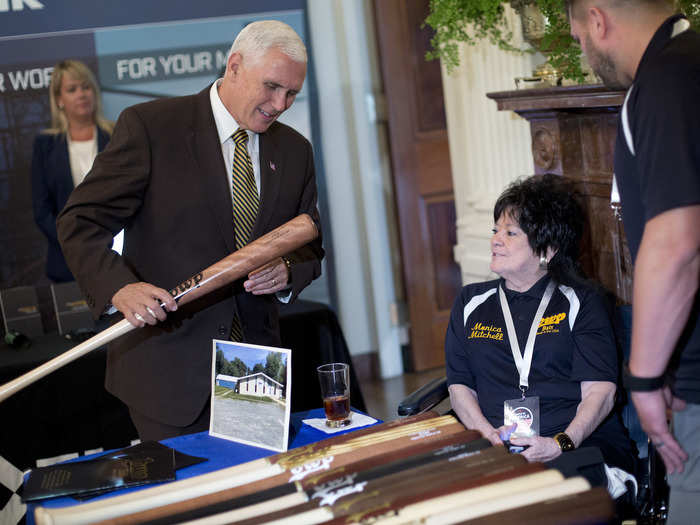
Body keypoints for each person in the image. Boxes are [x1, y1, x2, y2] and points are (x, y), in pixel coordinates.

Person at [57, 20, 324, 441]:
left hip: (257, 373)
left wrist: (288, 271)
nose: (281, 103)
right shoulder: (151, 127)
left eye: (292, 93)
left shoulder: (294, 151)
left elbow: (310, 247)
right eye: (272, 87)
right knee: (192, 503)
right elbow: (80, 222)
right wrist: (120, 289)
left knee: (255, 495)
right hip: (168, 373)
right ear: (234, 66)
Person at [568, 1, 700, 521]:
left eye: (579, 38)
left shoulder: (667, 81)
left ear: (597, 20)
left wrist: (643, 378)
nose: (583, 52)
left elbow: (677, 243)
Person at [445, 174, 636, 479]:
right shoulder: (471, 302)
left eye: (511, 233)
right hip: (492, 448)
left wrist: (561, 442)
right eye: (496, 230)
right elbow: (459, 387)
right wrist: (487, 436)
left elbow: (600, 392)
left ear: (547, 250)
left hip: (576, 447)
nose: (496, 239)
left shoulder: (582, 302)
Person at [31, 59, 113, 282]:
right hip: (67, 263)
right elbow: (41, 209)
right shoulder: (45, 145)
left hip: (118, 258)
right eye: (72, 89)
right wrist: (74, 243)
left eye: (86, 87)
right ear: (59, 100)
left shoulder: (117, 134)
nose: (82, 94)